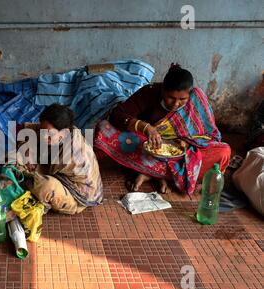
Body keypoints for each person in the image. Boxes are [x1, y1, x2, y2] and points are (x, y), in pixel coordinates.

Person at [94, 64, 231, 195]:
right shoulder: (149, 92)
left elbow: (211, 135)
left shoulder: (197, 99)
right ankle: (161, 175)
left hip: (182, 153)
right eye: (171, 98)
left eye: (182, 99)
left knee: (224, 152)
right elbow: (117, 115)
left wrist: (187, 143)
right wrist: (146, 127)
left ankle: (150, 173)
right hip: (147, 146)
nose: (176, 104)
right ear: (162, 90)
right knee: (103, 128)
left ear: (189, 94)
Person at [16, 104, 103, 214]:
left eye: (48, 135)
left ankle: (24, 187)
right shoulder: (58, 130)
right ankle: (19, 177)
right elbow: (25, 129)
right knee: (17, 156)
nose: (43, 137)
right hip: (57, 171)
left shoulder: (72, 155)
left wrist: (28, 161)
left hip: (78, 197)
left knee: (44, 186)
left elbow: (41, 172)